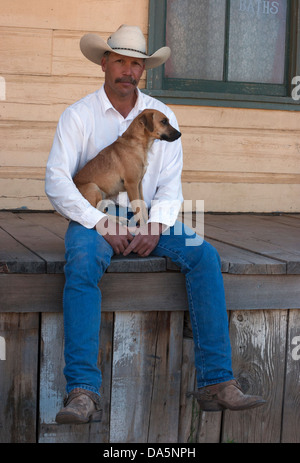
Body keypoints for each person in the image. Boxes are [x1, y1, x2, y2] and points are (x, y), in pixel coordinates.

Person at [45, 25, 265, 424]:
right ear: (103, 63)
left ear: (142, 71)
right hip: (95, 217)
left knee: (204, 255)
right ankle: (82, 391)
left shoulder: (162, 115)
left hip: (145, 216)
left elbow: (170, 185)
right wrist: (99, 222)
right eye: (121, 62)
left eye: (136, 64)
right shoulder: (78, 116)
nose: (128, 71)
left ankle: (216, 382)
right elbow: (57, 181)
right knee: (80, 262)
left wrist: (156, 225)